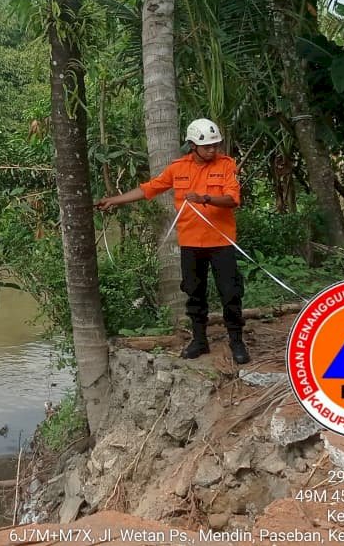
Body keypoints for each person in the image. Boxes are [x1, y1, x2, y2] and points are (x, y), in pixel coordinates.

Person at [94, 118, 250, 364]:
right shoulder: (177, 168)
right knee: (194, 293)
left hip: (221, 242)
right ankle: (199, 341)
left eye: (215, 145)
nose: (213, 150)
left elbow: (232, 199)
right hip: (190, 243)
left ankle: (236, 341)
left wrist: (204, 198)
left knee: (230, 293)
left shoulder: (226, 165)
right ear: (192, 145)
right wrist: (115, 200)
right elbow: (149, 189)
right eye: (207, 146)